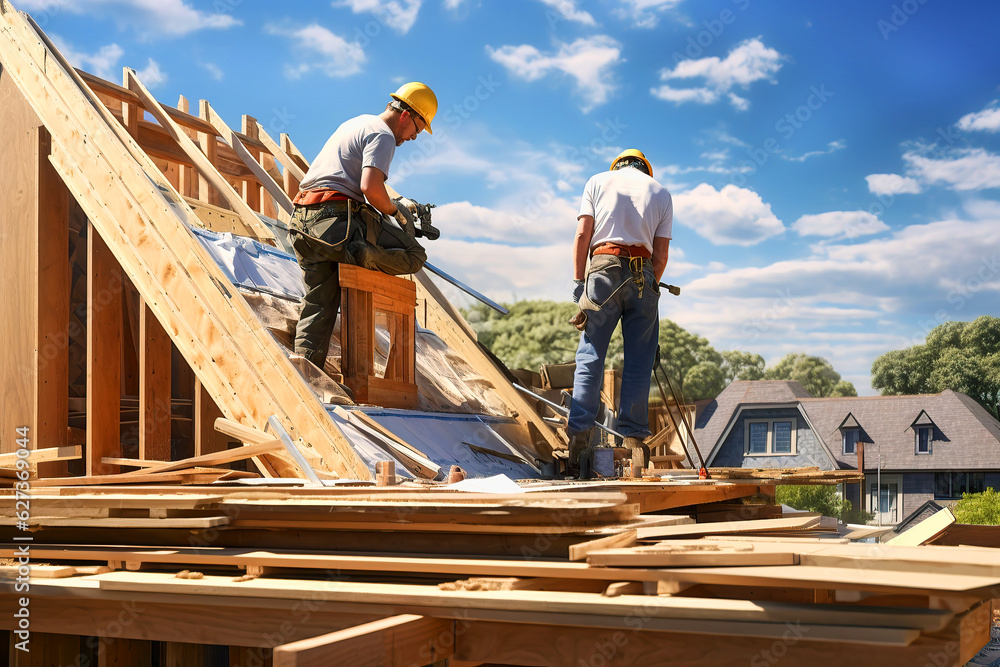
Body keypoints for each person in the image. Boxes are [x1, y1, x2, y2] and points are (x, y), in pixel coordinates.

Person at [290, 82, 437, 368]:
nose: (414, 137)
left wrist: (397, 200)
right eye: (418, 129)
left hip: (303, 223)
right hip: (335, 221)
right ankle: (365, 254)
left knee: (320, 304)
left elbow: (356, 176)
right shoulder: (383, 135)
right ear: (406, 115)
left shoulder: (357, 123)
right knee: (415, 255)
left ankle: (305, 373)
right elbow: (370, 187)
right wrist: (397, 212)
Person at [566, 149, 673, 478]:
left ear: (618, 166)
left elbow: (584, 234)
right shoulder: (660, 192)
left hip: (603, 269)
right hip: (644, 274)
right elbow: (662, 254)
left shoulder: (597, 181)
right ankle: (635, 437)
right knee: (639, 361)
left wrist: (579, 282)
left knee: (592, 354)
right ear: (645, 169)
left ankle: (579, 439)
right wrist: (649, 289)